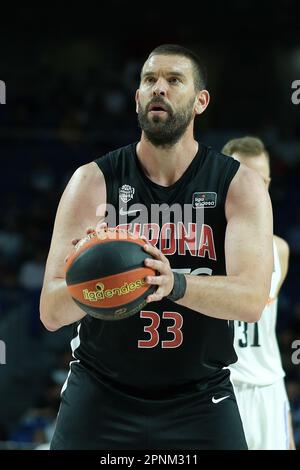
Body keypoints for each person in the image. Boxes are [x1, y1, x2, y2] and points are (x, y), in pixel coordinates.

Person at [40, 44, 273, 450]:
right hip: (101, 393)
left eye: (173, 80)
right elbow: (50, 310)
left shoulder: (238, 185)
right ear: (136, 98)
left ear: (201, 101)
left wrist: (171, 284)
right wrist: (101, 282)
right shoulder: (93, 181)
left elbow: (252, 299)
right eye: (149, 80)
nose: (158, 89)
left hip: (201, 397)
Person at [222, 136, 295, 450]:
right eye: (243, 178)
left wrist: (286, 426)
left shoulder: (280, 250)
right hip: (218, 388)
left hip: (268, 387)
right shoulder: (199, 248)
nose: (252, 189)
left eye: (259, 180)